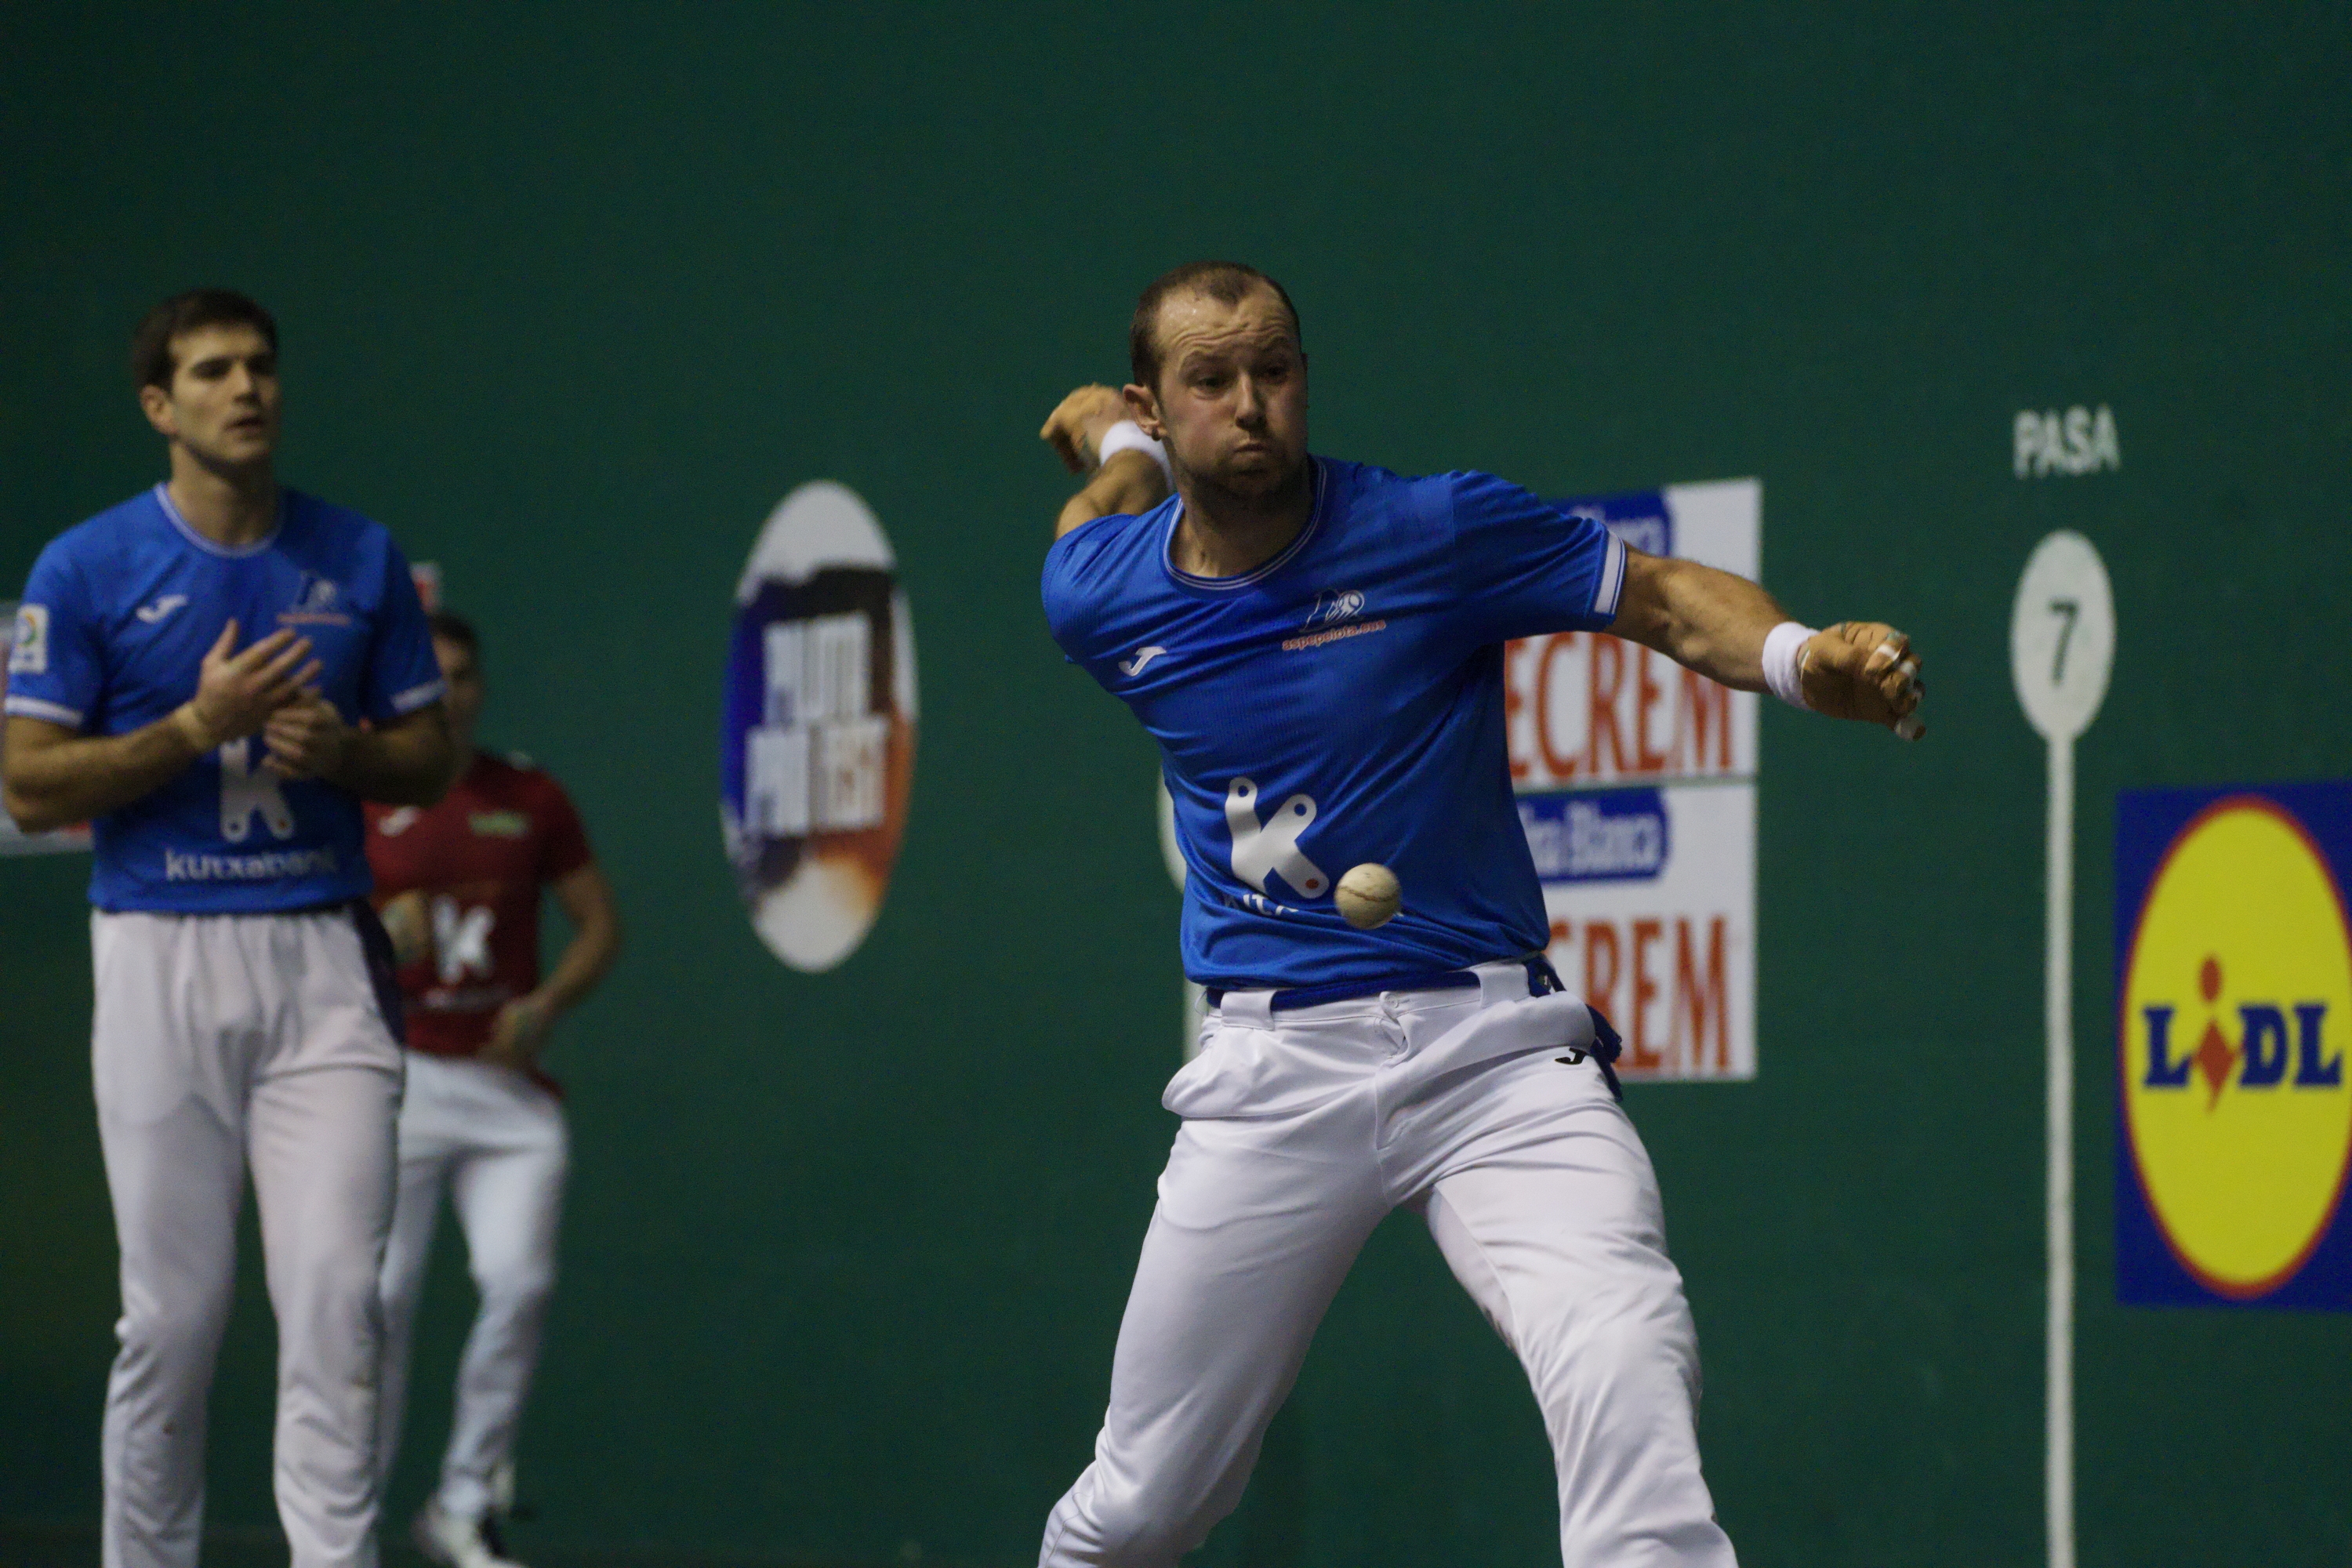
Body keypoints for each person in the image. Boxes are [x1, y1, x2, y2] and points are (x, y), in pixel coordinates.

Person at [1032, 260, 1926, 1567]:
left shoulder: (1429, 531)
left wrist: (1803, 662)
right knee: (1143, 1508)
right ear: (1164, 408)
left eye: (1273, 368)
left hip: (1492, 1053)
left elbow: (1665, 597)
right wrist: (1118, 455)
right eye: (1209, 382)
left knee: (1623, 1347)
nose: (1252, 403)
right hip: (1271, 1070)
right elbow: (1087, 535)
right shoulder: (1104, 594)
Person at [2, 289, 454, 1568]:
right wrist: (193, 732)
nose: (245, 388)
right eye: (212, 371)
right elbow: (30, 781)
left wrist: (352, 753)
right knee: (173, 1321)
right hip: (156, 951)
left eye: (260, 365)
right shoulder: (83, 569)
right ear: (161, 406)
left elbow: (428, 761)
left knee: (334, 1307)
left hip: (321, 956)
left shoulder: (357, 557)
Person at [366, 611, 621, 1568]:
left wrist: (547, 1002)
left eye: (466, 673)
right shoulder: (357, 799)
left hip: (509, 1096)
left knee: (518, 1281)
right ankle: (347, 1515)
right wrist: (369, 930)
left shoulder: (531, 794)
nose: (452, 691)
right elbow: (303, 929)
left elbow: (600, 924)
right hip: (399, 1086)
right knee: (378, 1300)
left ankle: (463, 1504)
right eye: (433, 675)